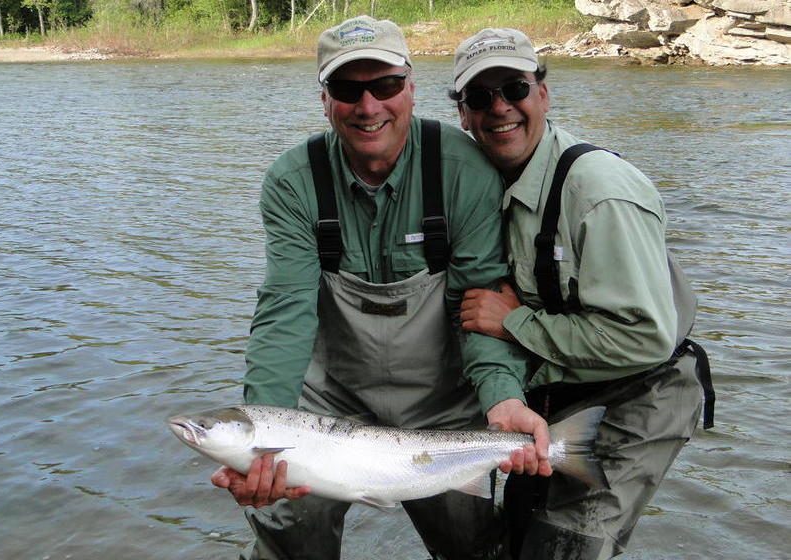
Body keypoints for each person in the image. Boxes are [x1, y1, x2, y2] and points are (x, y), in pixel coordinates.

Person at [211, 16, 548, 560]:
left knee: (474, 546)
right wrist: (263, 435)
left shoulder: (464, 170)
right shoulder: (292, 181)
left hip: (442, 406)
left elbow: (479, 305)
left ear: (411, 88)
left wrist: (503, 398)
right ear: (325, 100)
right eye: (348, 89)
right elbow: (285, 311)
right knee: (289, 542)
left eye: (386, 85)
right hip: (326, 405)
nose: (369, 107)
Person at [452, 28, 711, 560]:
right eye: (480, 97)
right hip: (558, 397)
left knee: (566, 549)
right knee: (514, 543)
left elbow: (644, 339)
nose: (500, 108)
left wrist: (513, 323)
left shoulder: (600, 191)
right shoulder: (480, 181)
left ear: (543, 94)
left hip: (642, 392)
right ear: (463, 114)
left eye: (516, 89)